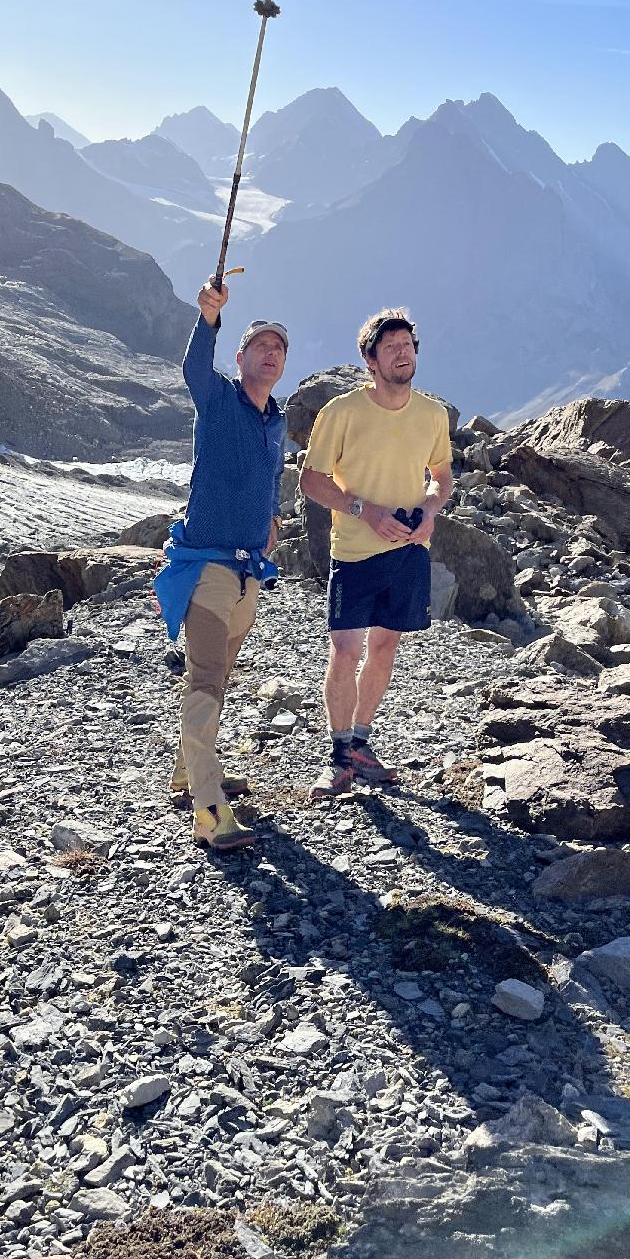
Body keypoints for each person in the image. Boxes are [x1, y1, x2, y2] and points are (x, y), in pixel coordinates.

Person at [153, 279, 288, 851]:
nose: (270, 352)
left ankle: (188, 773)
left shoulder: (275, 421)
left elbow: (268, 483)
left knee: (220, 677)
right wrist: (208, 318)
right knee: (206, 679)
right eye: (259, 343)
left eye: (279, 347)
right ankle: (209, 811)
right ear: (240, 356)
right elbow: (192, 369)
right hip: (207, 565)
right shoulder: (218, 398)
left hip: (248, 572)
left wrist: (272, 530)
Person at [299, 308, 452, 797]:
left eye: (407, 345)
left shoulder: (432, 414)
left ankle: (361, 743)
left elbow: (442, 476)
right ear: (370, 359)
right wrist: (363, 510)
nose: (402, 352)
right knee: (345, 652)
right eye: (391, 347)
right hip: (354, 550)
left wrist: (430, 509)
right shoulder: (340, 413)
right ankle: (337, 754)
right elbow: (311, 481)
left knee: (386, 646)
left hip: (409, 549)